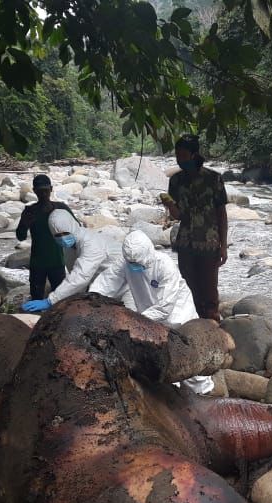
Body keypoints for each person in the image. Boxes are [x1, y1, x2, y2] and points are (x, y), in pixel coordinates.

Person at [90, 230, 214, 395]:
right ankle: (172, 399)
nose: (134, 265)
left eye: (137, 262)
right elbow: (107, 282)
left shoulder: (164, 265)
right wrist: (91, 300)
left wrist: (135, 320)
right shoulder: (126, 264)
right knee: (161, 361)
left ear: (148, 252)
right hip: (148, 318)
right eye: (131, 262)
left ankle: (204, 395)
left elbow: (165, 306)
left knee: (190, 358)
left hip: (179, 317)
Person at [160, 134, 228, 321]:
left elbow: (221, 214)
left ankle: (213, 325)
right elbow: (178, 215)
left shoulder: (214, 179)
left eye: (183, 155)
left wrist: (223, 245)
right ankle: (194, 325)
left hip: (209, 242)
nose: (179, 159)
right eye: (177, 155)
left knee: (209, 289)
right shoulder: (176, 181)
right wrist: (169, 205)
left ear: (194, 154)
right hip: (185, 242)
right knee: (188, 286)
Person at [22, 209, 123, 312]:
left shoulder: (91, 244)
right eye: (58, 236)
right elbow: (74, 275)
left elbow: (81, 276)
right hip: (105, 283)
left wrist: (51, 301)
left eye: (65, 233)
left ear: (72, 227)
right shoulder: (69, 248)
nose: (63, 238)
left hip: (126, 281)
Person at [16, 175, 77, 301]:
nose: (43, 194)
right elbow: (20, 237)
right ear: (34, 191)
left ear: (51, 189)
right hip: (37, 264)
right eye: (39, 191)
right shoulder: (30, 211)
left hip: (58, 262)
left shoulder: (61, 208)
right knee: (36, 298)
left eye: (45, 190)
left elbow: (77, 229)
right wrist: (25, 223)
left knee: (60, 300)